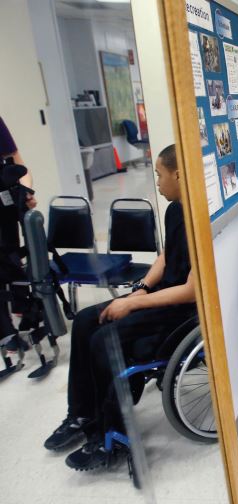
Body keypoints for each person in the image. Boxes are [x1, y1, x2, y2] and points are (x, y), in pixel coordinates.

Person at [43, 144, 197, 472]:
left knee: (104, 339)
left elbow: (191, 291)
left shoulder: (202, 220)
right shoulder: (174, 210)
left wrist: (133, 303)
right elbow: (166, 257)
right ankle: (81, 414)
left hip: (181, 311)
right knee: (86, 320)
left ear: (179, 175)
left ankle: (111, 434)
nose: (157, 182)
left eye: (160, 174)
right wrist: (140, 288)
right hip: (159, 295)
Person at [0, 116, 37, 355]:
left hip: (4, 206)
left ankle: (24, 310)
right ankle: (5, 333)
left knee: (11, 259)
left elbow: (17, 161)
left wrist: (26, 192)